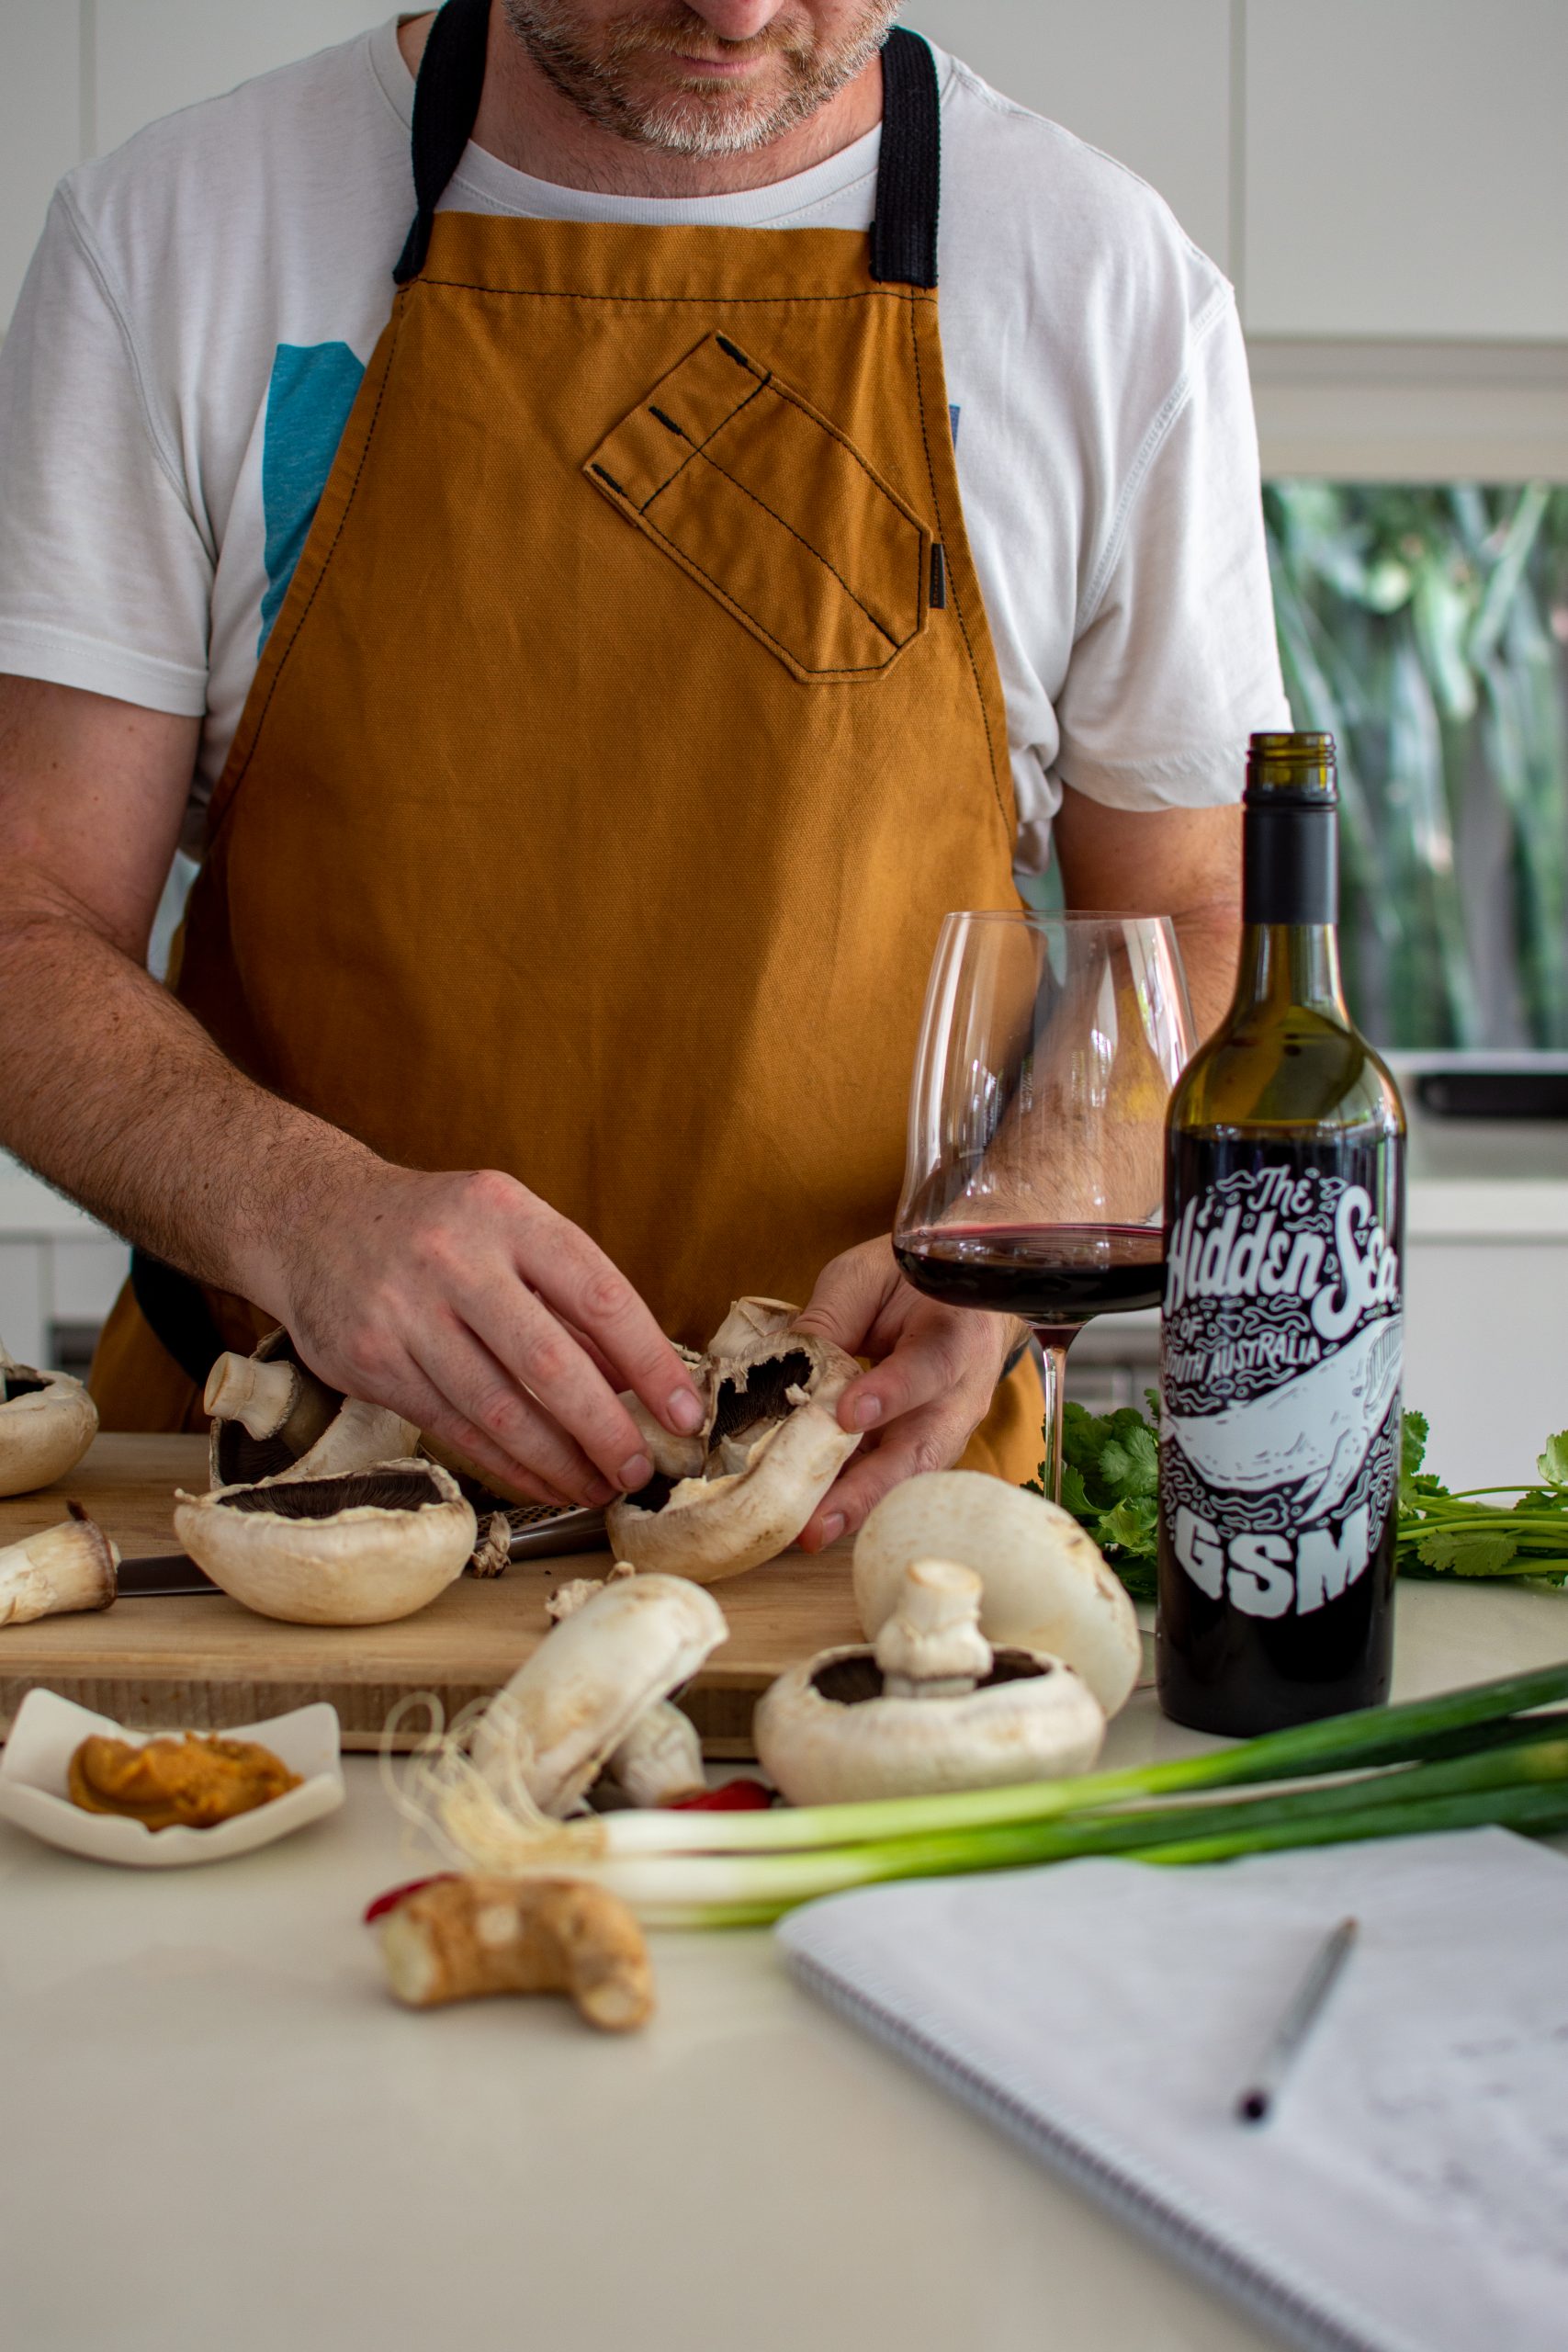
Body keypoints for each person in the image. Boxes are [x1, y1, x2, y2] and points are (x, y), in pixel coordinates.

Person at [0, 1, 1289, 1546]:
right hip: (288, 1501)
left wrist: (1017, 1237)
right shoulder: (174, 238)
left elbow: (1203, 916)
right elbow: (25, 916)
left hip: (875, 1523)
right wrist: (296, 1211)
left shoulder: (1111, 285)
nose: (737, 12)